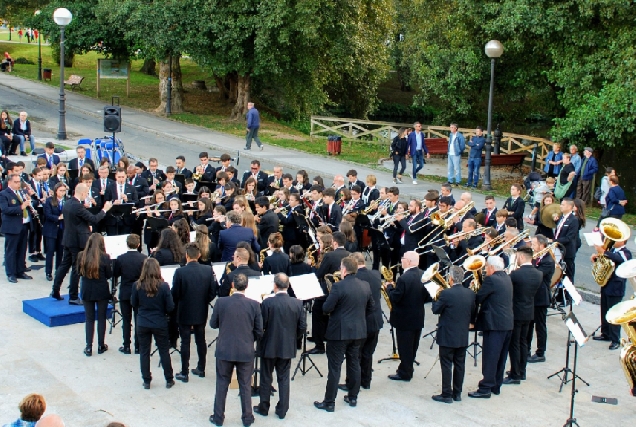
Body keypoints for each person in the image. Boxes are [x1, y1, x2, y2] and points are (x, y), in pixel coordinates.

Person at [314, 256, 374, 412]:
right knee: (354, 364)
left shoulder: (338, 287)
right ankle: (353, 397)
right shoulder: (365, 286)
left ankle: (329, 402)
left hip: (339, 333)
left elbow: (326, 308)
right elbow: (371, 308)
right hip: (359, 331)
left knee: (335, 368)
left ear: (344, 269)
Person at [210, 273, 263, 426]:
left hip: (225, 349)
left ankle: (218, 417)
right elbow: (259, 331)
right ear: (246, 286)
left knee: (222, 383)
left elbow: (213, 324)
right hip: (245, 350)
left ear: (232, 285)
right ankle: (247, 418)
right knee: (245, 385)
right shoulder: (254, 305)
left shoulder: (221, 302)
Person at [254, 273, 306, 419]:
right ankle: (282, 409)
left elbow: (261, 325)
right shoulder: (297, 303)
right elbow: (302, 326)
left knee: (266, 377)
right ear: (288, 286)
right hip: (287, 346)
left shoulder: (267, 303)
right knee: (283, 378)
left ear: (274, 286)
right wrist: (293, 338)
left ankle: (264, 407)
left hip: (269, 345)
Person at [51, 184, 112, 302]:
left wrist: (84, 225)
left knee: (64, 265)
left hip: (68, 238)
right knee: (76, 268)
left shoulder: (68, 203)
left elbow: (76, 220)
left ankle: (55, 289)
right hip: (77, 241)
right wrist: (105, 209)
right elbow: (94, 219)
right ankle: (73, 296)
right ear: (83, 193)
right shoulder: (78, 206)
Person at [468, 256, 514, 399]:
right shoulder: (506, 278)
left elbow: (479, 297)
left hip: (494, 324)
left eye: (486, 266)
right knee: (501, 357)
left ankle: (485, 388)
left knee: (490, 357)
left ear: (492, 268)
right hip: (507, 324)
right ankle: (495, 385)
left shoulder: (492, 279)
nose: (485, 269)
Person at [172, 243, 217, 382]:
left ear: (186, 256)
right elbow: (212, 292)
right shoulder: (208, 270)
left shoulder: (180, 272)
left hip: (184, 309)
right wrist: (204, 300)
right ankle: (201, 368)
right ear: (199, 255)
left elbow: (175, 293)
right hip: (200, 309)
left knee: (185, 341)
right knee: (200, 340)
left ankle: (184, 372)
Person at [431, 266, 476, 403]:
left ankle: (446, 394)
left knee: (446, 365)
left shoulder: (446, 294)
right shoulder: (470, 294)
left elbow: (436, 310)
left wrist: (434, 296)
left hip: (447, 335)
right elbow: (473, 313)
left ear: (450, 279)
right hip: (462, 335)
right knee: (460, 364)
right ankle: (457, 393)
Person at [384, 251, 431, 381]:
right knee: (413, 346)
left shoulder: (403, 278)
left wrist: (389, 288)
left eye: (403, 258)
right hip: (418, 316)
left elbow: (395, 297)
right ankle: (407, 368)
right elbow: (427, 296)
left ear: (409, 262)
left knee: (404, 347)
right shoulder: (424, 274)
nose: (401, 260)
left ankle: (405, 372)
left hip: (404, 318)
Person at [131, 258, 175, 389]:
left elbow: (134, 303)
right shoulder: (163, 286)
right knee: (164, 351)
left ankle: (146, 380)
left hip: (143, 322)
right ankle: (169, 378)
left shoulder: (137, 285)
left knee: (144, 352)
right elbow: (170, 306)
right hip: (159, 322)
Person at [309, 232, 351, 354]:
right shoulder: (349, 254)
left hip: (328, 290)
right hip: (344, 290)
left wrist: (314, 267)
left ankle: (319, 344)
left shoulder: (330, 255)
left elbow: (320, 274)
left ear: (335, 242)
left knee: (317, 311)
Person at [504, 247, 542, 384]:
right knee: (524, 343)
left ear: (520, 257)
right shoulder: (538, 274)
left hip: (516, 312)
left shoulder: (516, 274)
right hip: (529, 312)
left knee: (514, 344)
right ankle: (522, 371)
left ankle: (515, 374)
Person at [591, 239, 632, 350]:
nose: (614, 241)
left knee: (614, 313)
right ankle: (606, 333)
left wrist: (603, 251)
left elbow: (620, 259)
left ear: (623, 241)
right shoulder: (612, 250)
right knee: (604, 310)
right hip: (606, 285)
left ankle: (615, 340)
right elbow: (604, 263)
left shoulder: (625, 252)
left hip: (616, 288)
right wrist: (596, 259)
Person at [351, 252, 383, 389]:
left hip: (361, 321)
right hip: (375, 320)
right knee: (368, 353)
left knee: (355, 355)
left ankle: (353, 383)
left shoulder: (355, 278)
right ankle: (366, 381)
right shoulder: (376, 275)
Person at [77, 233, 113, 356]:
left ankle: (88, 347)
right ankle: (101, 345)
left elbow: (78, 272)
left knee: (89, 318)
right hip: (101, 289)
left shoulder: (82, 255)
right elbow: (109, 275)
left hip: (87, 289)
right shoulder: (105, 257)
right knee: (102, 318)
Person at [113, 234, 147, 355]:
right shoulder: (143, 258)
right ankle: (138, 346)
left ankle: (126, 345)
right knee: (138, 319)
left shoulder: (121, 258)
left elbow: (115, 274)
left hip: (125, 292)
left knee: (126, 320)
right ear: (138, 245)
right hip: (139, 291)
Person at [0, 173, 33, 283]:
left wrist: (29, 201)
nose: (18, 184)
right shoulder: (4, 194)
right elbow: (5, 210)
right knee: (11, 251)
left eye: (19, 182)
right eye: (16, 182)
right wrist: (21, 207)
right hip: (12, 226)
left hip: (24, 224)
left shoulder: (21, 192)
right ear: (9, 182)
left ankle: (20, 270)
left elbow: (29, 205)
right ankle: (11, 273)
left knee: (22, 249)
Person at [527, 235, 555, 363]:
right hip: (531, 295)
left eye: (533, 244)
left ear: (542, 245)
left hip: (541, 298)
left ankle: (540, 352)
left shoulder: (548, 261)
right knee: (528, 325)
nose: (532, 246)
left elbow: (536, 275)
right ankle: (526, 350)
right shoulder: (535, 257)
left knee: (540, 326)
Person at [554, 198, 580, 285]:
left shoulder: (574, 220)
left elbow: (569, 238)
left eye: (563, 205)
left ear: (569, 207)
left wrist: (554, 241)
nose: (560, 206)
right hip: (559, 249)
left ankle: (568, 296)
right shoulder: (562, 217)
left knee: (568, 274)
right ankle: (560, 294)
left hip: (567, 251)